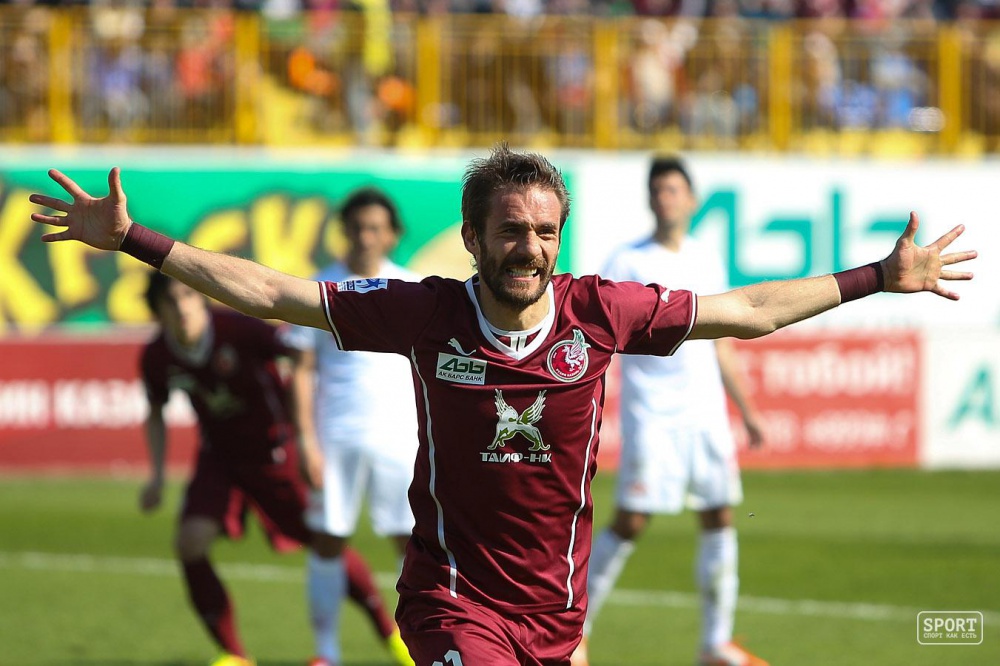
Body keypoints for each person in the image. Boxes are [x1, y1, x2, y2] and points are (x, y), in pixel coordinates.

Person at [31, 144, 975, 666]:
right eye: (512, 231)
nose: (531, 248)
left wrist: (876, 276)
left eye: (546, 232)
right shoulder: (423, 312)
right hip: (454, 602)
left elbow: (750, 312)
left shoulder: (602, 312)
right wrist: (140, 241)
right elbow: (275, 294)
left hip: (556, 615)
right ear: (474, 239)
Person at [137, 271, 407, 666]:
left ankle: (390, 635)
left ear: (202, 300)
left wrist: (309, 428)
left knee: (323, 541)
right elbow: (155, 411)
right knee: (190, 543)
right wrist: (158, 476)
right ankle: (234, 655)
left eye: (188, 297)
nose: (182, 308)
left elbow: (298, 352)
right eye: (170, 301)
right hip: (220, 460)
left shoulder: (238, 330)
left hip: (274, 454)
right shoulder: (157, 355)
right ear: (157, 310)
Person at [573, 157, 766, 666]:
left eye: (674, 189)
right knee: (632, 519)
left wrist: (747, 411)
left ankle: (715, 643)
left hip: (704, 411)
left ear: (691, 200)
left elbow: (722, 342)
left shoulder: (706, 258)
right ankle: (574, 630)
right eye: (658, 189)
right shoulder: (626, 261)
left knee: (719, 513)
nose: (665, 198)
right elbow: (600, 337)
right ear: (649, 199)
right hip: (652, 413)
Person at [281, 188, 419, 666]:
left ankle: (423, 646)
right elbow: (301, 369)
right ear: (344, 231)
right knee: (328, 539)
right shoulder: (319, 288)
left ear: (392, 234)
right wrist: (306, 441)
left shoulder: (413, 289)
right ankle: (326, 652)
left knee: (413, 544)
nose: (365, 237)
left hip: (401, 438)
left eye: (375, 228)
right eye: (357, 228)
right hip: (336, 434)